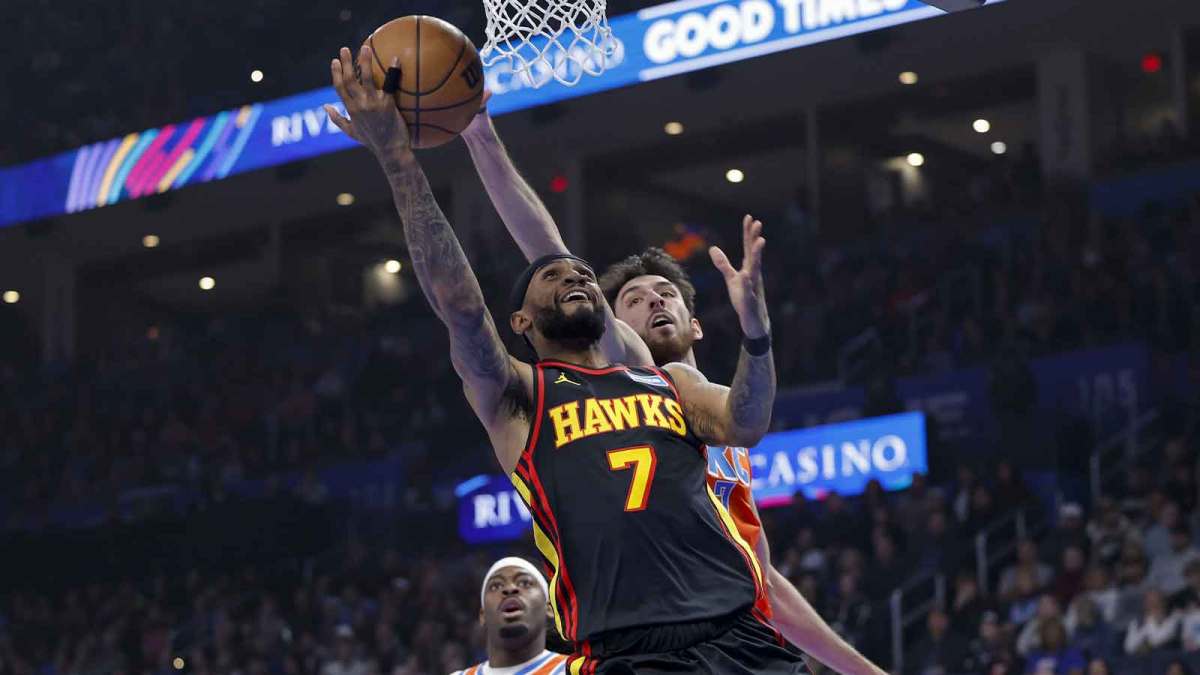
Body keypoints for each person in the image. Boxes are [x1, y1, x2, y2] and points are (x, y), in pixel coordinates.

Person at [326, 48, 804, 674]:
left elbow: (746, 422)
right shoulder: (518, 396)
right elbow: (462, 306)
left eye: (581, 273)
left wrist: (757, 335)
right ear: (521, 321)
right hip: (627, 650)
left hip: (740, 636)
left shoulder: (657, 377)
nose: (573, 275)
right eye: (552, 277)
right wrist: (399, 155)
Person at [460, 92, 885, 675]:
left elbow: (767, 583)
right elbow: (544, 245)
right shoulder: (628, 370)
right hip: (642, 644)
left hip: (735, 638)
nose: (653, 300)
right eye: (632, 299)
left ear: (697, 323)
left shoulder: (715, 416)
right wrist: (480, 136)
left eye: (666, 294)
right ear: (612, 329)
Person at [451, 558, 569, 675]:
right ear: (483, 615)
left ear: (549, 607)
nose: (510, 588)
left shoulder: (575, 670)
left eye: (524, 583)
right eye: (496, 586)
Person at [1123, 589, 1181, 655]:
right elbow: (1129, 647)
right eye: (1149, 602)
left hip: (1164, 657)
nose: (1152, 606)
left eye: (1155, 602)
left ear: (1163, 603)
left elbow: (1157, 639)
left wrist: (1151, 620)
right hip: (1140, 659)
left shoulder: (1173, 618)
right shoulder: (1136, 622)